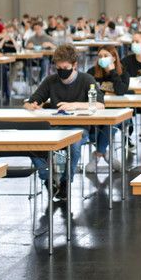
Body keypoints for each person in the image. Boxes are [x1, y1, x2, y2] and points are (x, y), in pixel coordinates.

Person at [25, 45, 97, 199]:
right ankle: (47, 179)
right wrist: (33, 105)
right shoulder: (51, 80)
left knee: (75, 145)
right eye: (58, 68)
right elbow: (30, 102)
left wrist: (74, 105)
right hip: (55, 128)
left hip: (79, 128)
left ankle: (65, 181)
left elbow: (100, 104)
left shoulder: (86, 80)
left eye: (65, 68)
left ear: (74, 65)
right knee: (32, 143)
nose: (61, 71)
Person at [86, 46, 129, 169]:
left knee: (110, 124)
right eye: (100, 56)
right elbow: (87, 92)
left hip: (118, 112)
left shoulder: (123, 73)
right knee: (92, 130)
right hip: (97, 112)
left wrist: (113, 72)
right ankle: (105, 153)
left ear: (114, 58)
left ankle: (98, 154)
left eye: (106, 56)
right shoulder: (91, 72)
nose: (102, 58)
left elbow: (120, 91)